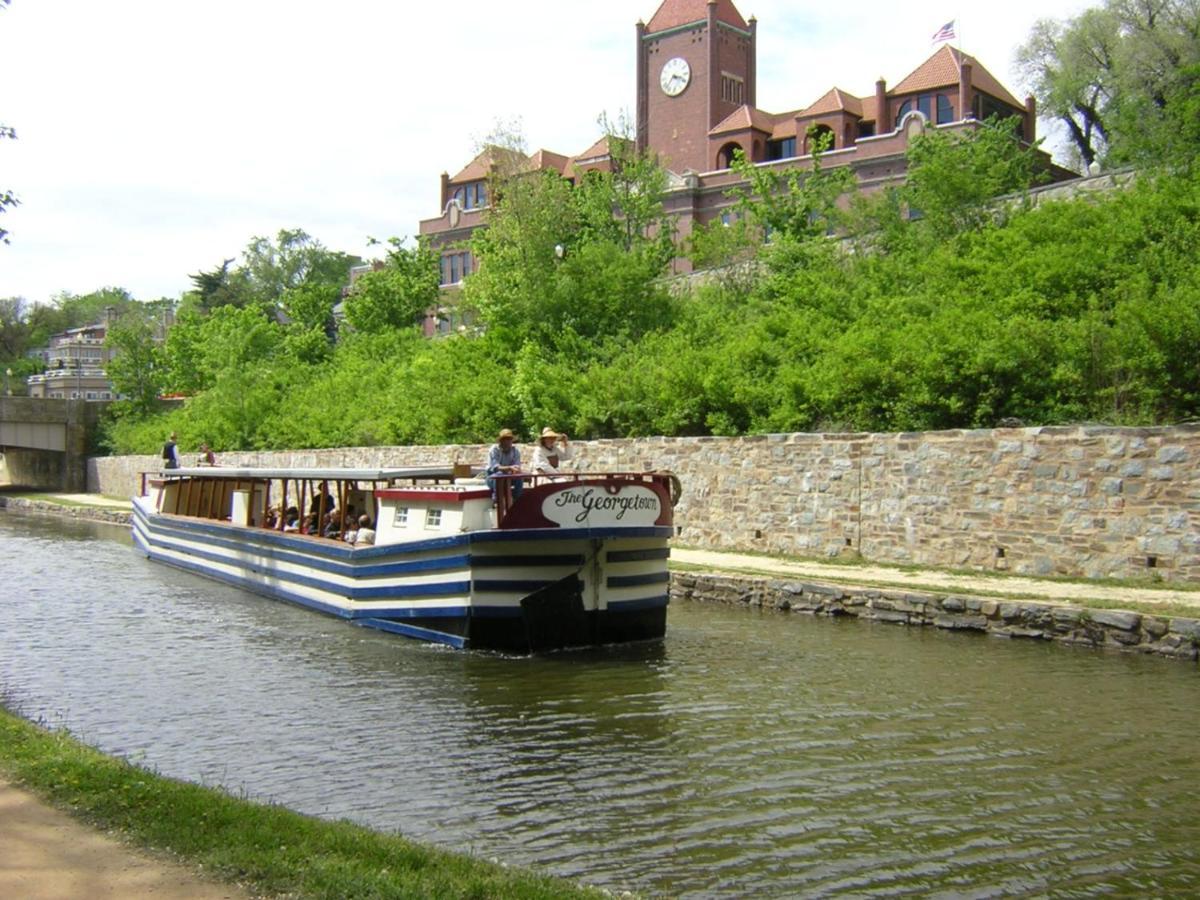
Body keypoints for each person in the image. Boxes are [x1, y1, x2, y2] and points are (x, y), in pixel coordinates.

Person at [486, 427, 524, 504]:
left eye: (509, 439)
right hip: (492, 478)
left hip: (509, 477)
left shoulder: (515, 451)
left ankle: (517, 500)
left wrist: (516, 469)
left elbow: (517, 466)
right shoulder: (494, 450)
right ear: (501, 441)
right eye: (505, 439)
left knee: (519, 477)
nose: (507, 442)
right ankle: (496, 500)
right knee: (499, 475)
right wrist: (509, 468)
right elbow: (495, 467)